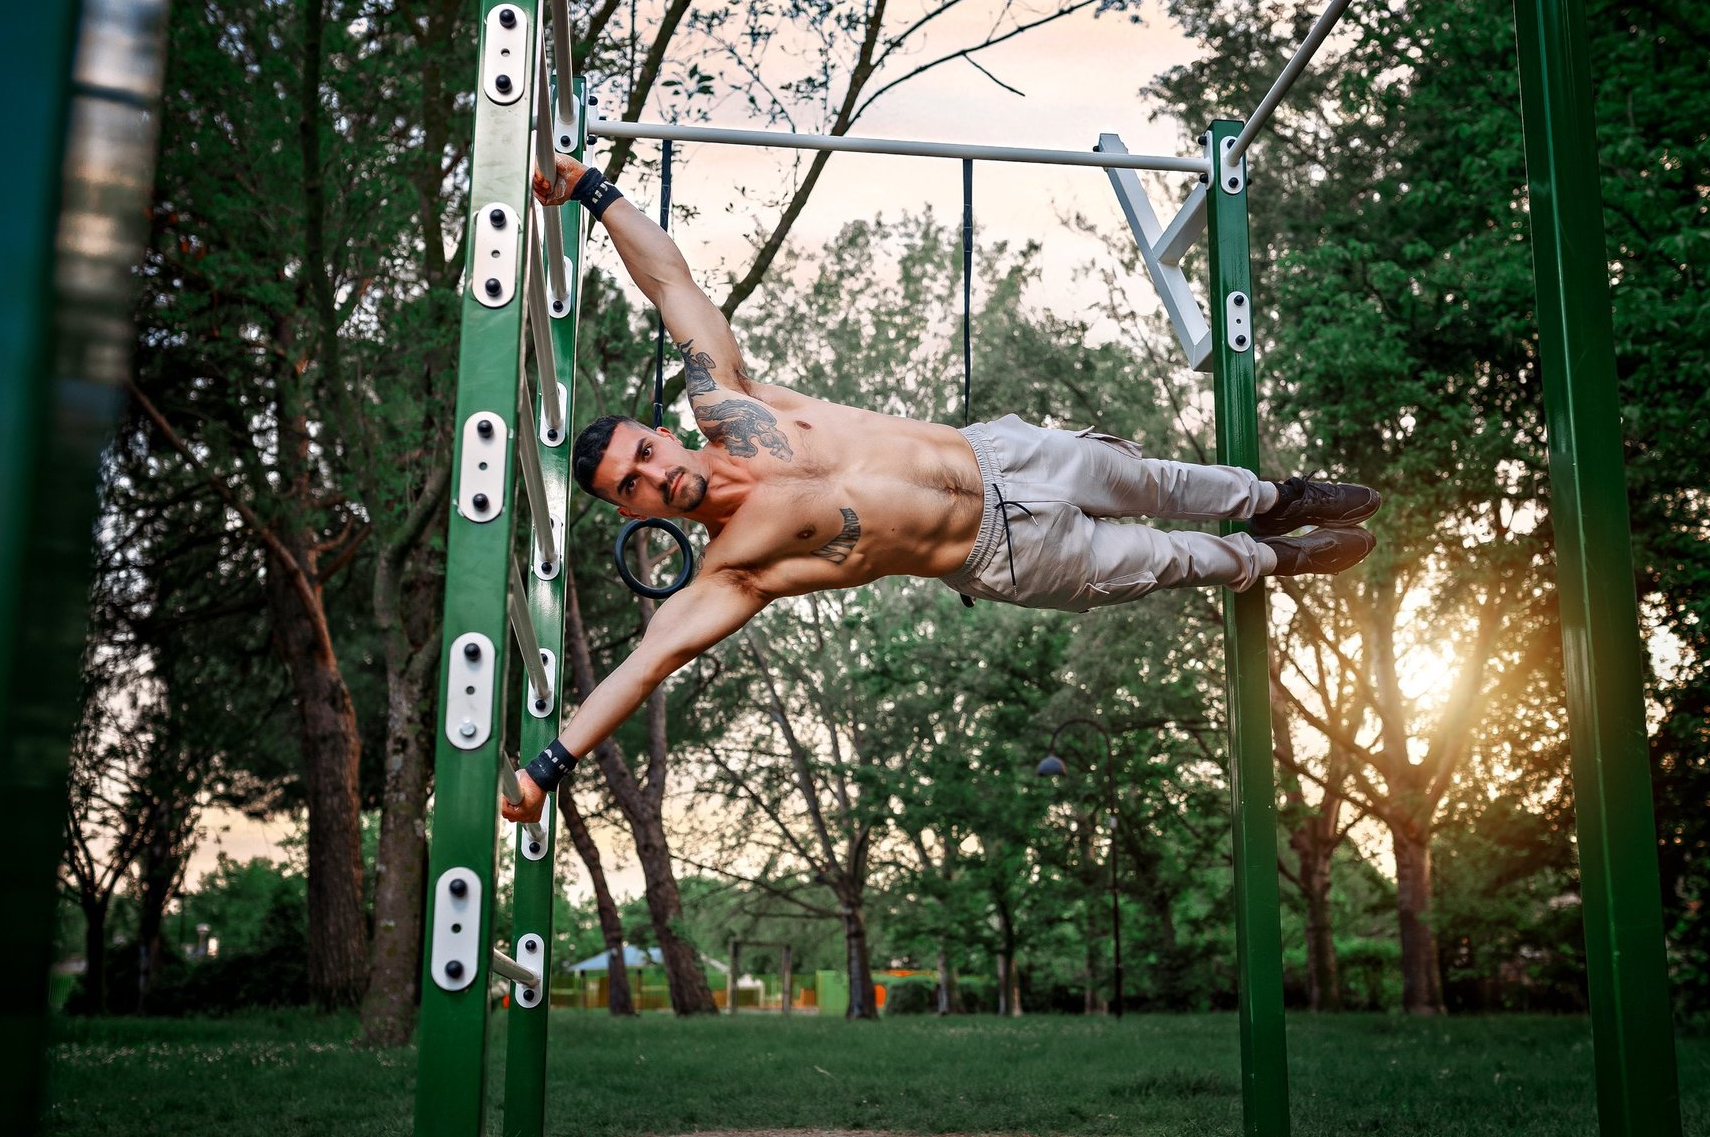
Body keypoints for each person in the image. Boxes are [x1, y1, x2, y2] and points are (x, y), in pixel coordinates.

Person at [500, 154, 1378, 823]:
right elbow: (648, 663)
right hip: (1010, 554)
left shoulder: (727, 397)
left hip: (1004, 458)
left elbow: (669, 280)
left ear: (658, 435)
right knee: (1169, 559)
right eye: (636, 485)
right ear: (636, 511)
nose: (656, 473)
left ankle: (1276, 496)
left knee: (1158, 478)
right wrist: (548, 769)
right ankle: (1271, 557)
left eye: (645, 454)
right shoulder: (736, 570)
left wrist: (590, 190)